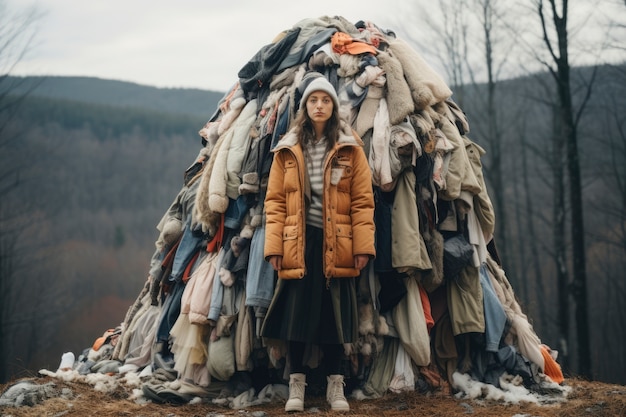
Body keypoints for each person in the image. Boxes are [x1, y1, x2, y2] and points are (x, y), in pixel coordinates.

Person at [261, 72, 376, 412]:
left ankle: (335, 389)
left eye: (326, 100)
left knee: (334, 317)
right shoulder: (288, 147)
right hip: (300, 242)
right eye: (314, 100)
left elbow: (362, 201)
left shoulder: (349, 146)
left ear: (334, 106)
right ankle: (296, 386)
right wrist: (274, 247)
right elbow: (275, 201)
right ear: (305, 106)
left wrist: (362, 247)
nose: (320, 105)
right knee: (296, 316)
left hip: (337, 242)